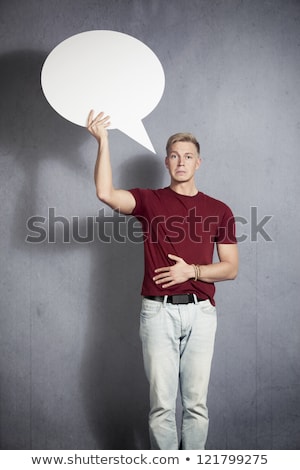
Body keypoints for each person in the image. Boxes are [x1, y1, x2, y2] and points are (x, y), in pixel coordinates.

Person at [87, 111, 238, 450]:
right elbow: (105, 192)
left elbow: (230, 268)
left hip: (201, 314)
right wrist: (103, 141)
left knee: (196, 406)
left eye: (187, 156)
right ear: (167, 163)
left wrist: (193, 271)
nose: (181, 162)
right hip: (157, 313)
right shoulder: (149, 201)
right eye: (174, 156)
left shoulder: (220, 210)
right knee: (161, 407)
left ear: (198, 163)